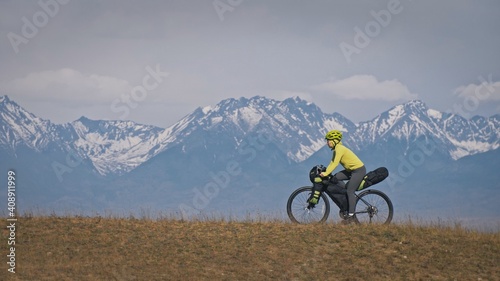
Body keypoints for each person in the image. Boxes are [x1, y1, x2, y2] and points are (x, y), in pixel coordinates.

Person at [308, 130, 366, 224]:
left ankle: (351, 215)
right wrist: (327, 172)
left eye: (328, 140)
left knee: (350, 191)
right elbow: (332, 162)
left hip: (358, 170)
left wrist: (326, 174)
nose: (327, 143)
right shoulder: (336, 150)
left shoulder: (340, 149)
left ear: (334, 140)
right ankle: (344, 198)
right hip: (350, 170)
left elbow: (335, 164)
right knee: (334, 178)